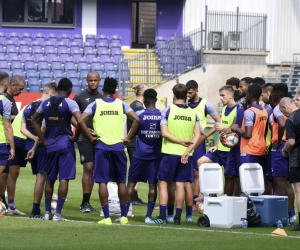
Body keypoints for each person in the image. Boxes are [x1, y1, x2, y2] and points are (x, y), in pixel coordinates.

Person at [75, 77, 140, 225]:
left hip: (101, 146)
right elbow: (136, 120)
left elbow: (80, 120)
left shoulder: (95, 104)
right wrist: (128, 137)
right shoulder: (122, 104)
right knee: (121, 182)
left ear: (103, 90)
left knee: (102, 182)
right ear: (115, 91)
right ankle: (123, 217)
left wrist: (89, 135)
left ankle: (106, 218)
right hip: (118, 147)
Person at [28, 78, 81, 222]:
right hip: (65, 145)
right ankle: (57, 214)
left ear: (57, 89)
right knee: (64, 179)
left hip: (49, 146)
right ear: (69, 90)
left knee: (50, 179)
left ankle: (46, 213)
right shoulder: (70, 103)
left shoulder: (46, 103)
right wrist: (75, 138)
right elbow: (80, 121)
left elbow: (34, 121)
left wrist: (43, 140)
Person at [155, 83, 201, 225]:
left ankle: (163, 216)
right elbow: (197, 136)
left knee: (163, 184)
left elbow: (164, 133)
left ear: (174, 95)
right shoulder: (194, 114)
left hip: (169, 153)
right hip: (186, 155)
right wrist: (187, 151)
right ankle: (177, 217)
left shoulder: (167, 111)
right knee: (180, 185)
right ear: (186, 95)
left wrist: (180, 142)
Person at [21, 82, 58, 218]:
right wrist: (39, 140)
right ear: (51, 94)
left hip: (30, 145)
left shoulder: (29, 106)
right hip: (41, 147)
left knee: (40, 176)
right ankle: (36, 210)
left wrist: (33, 139)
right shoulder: (47, 108)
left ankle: (42, 209)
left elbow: (22, 129)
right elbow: (44, 128)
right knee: (42, 177)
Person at [126, 89, 162, 224]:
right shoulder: (162, 115)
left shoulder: (139, 115)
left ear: (145, 100)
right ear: (156, 99)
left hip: (139, 154)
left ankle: (124, 215)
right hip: (155, 156)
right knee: (153, 186)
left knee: (131, 183)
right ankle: (148, 217)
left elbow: (132, 133)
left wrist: (127, 139)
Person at [186, 80, 220, 210]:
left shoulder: (205, 104)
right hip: (185, 140)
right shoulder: (184, 104)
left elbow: (218, 121)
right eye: (187, 93)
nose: (188, 95)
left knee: (196, 171)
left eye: (190, 92)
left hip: (199, 142)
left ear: (196, 90)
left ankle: (195, 201)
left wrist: (207, 134)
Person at [198, 86, 237, 196]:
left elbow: (234, 130)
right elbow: (220, 130)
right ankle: (209, 194)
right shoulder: (224, 109)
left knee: (229, 177)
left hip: (229, 150)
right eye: (220, 95)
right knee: (201, 162)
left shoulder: (237, 110)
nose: (220, 98)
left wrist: (224, 129)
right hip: (219, 149)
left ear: (230, 95)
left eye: (223, 95)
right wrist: (216, 144)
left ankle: (227, 200)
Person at [73, 72, 103, 213]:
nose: (92, 82)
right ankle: (85, 203)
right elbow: (72, 117)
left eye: (95, 80)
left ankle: (95, 202)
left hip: (99, 137)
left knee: (98, 169)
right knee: (88, 167)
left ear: (99, 81)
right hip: (84, 137)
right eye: (90, 80)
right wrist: (84, 129)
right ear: (86, 80)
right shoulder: (79, 97)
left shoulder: (102, 99)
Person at [269, 83, 295, 224]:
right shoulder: (292, 110)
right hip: (291, 145)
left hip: (282, 146)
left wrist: (278, 141)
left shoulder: (278, 108)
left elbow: (282, 124)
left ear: (278, 94)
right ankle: (291, 214)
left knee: (279, 182)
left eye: (273, 92)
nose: (271, 95)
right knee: (287, 183)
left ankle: (283, 215)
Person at [2, 75, 26, 216]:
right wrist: (17, 117)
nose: (22, 91)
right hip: (4, 141)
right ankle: (4, 203)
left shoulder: (11, 100)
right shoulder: (4, 99)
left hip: (12, 140)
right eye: (20, 88)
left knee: (12, 173)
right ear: (12, 85)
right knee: (4, 174)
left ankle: (9, 205)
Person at [231, 84, 268, 170]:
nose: (245, 96)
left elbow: (248, 134)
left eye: (247, 94)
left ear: (251, 95)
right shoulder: (264, 111)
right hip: (261, 149)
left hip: (249, 151)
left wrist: (237, 128)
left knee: (246, 181)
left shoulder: (250, 112)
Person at [280, 97, 300, 230]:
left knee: (299, 191)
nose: (284, 115)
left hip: (297, 159)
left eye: (284, 113)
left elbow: (291, 142)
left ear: (286, 107)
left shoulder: (291, 119)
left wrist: (285, 150)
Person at [126, 84, 148, 206]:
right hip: (135, 142)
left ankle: (133, 195)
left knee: (136, 169)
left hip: (133, 142)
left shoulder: (134, 105)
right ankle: (132, 196)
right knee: (136, 169)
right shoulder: (138, 107)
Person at [0, 73, 15, 217]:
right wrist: (12, 146)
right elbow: (7, 126)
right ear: (6, 84)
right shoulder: (4, 101)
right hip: (1, 143)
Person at [261, 83, 274, 194]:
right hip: (271, 146)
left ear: (268, 93)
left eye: (262, 94)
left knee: (269, 180)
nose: (262, 97)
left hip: (270, 147)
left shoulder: (269, 109)